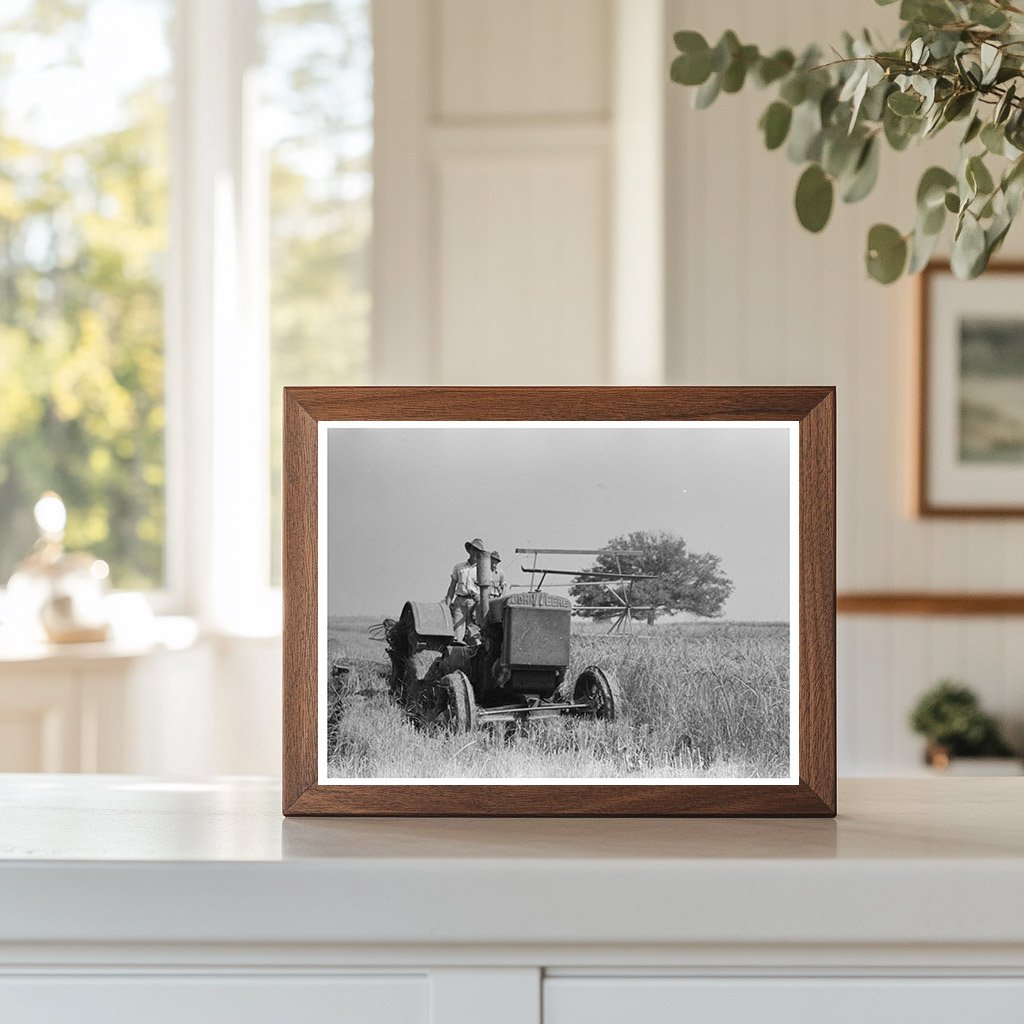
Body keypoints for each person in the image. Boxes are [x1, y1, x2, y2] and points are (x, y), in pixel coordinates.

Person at [446, 537, 487, 641]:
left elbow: (488, 589)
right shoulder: (459, 567)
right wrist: (447, 602)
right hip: (459, 601)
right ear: (470, 550)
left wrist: (481, 599)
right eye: (473, 549)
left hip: (474, 602)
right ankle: (456, 653)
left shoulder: (484, 569)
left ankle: (474, 655)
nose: (475, 552)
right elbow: (452, 586)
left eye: (478, 550)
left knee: (474, 632)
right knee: (457, 630)